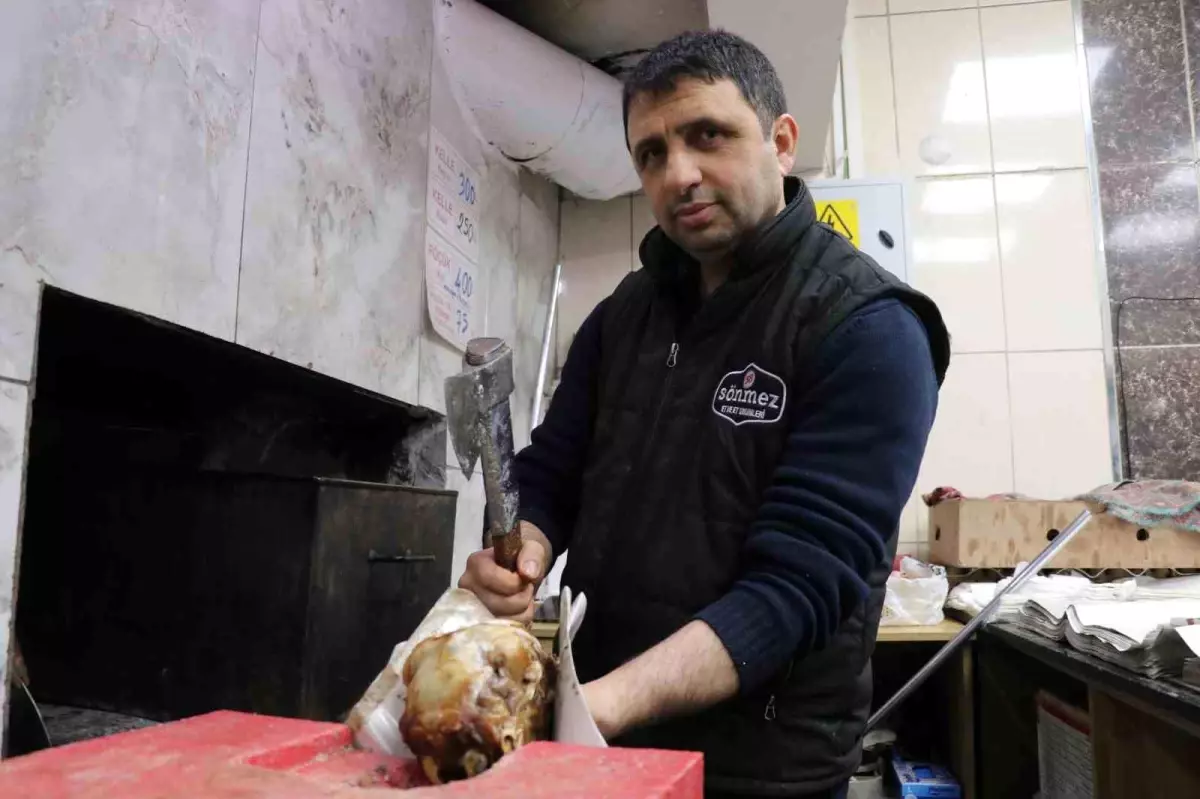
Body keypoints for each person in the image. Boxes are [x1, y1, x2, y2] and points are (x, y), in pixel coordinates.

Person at [459, 29, 951, 799]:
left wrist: (586, 709)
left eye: (707, 135)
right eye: (651, 153)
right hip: (601, 743)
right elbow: (553, 472)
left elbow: (796, 589)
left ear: (781, 142)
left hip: (756, 770)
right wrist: (522, 546)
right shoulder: (626, 314)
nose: (678, 174)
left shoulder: (869, 326)